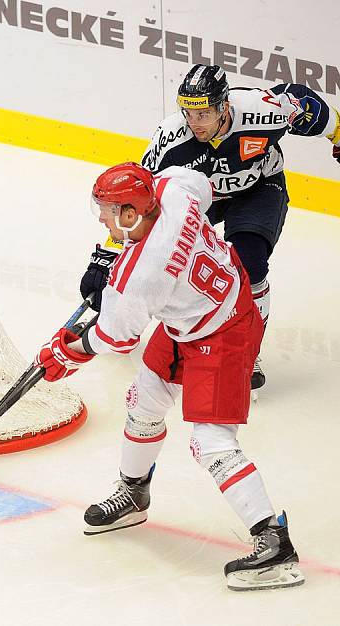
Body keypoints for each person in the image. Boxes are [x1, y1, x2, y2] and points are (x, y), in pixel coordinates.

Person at [37, 162, 304, 591]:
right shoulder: (172, 191)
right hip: (192, 316)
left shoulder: (139, 279)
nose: (101, 220)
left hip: (224, 332)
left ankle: (275, 543)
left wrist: (66, 352)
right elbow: (197, 182)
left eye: (107, 211)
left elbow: (114, 339)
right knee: (142, 403)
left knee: (212, 444)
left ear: (131, 214)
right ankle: (134, 493)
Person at [82, 64, 340, 391]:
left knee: (250, 266)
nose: (194, 122)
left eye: (202, 114)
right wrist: (109, 256)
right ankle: (119, 317)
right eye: (187, 113)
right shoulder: (171, 137)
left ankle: (247, 354)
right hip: (204, 198)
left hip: (258, 190)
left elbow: (304, 102)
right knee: (168, 261)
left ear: (224, 107)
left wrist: (338, 133)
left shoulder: (264, 112)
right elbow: (138, 200)